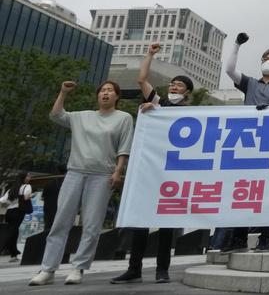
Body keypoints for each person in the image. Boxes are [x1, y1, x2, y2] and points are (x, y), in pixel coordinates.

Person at [29, 80, 134, 286]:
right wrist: (63, 92)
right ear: (98, 95)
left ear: (117, 96)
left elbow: (124, 147)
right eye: (102, 90)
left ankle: (78, 267)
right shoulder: (82, 116)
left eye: (110, 90)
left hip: (102, 175)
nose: (105, 93)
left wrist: (118, 171)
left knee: (92, 224)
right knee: (61, 221)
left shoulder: (124, 118)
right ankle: (48, 269)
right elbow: (56, 115)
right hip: (75, 173)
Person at [110, 43, 193, 284]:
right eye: (172, 84)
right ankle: (134, 268)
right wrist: (150, 55)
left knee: (167, 223)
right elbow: (141, 79)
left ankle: (162, 269)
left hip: (173, 172)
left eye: (179, 85)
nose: (173, 87)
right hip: (150, 170)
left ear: (187, 92)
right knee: (141, 220)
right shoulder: (159, 104)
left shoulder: (193, 113)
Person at [221, 33, 269, 254]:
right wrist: (237, 45)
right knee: (244, 191)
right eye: (264, 58)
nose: (267, 61)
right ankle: (239, 239)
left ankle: (265, 238)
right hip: (248, 144)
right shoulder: (250, 84)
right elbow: (229, 70)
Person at [3, 171, 33, 261]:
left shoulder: (12, 188)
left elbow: (4, 200)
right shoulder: (27, 186)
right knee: (10, 232)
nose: (30, 177)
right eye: (28, 176)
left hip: (9, 212)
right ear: (24, 178)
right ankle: (7, 249)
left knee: (14, 232)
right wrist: (32, 195)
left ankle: (14, 254)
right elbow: (26, 197)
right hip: (18, 211)